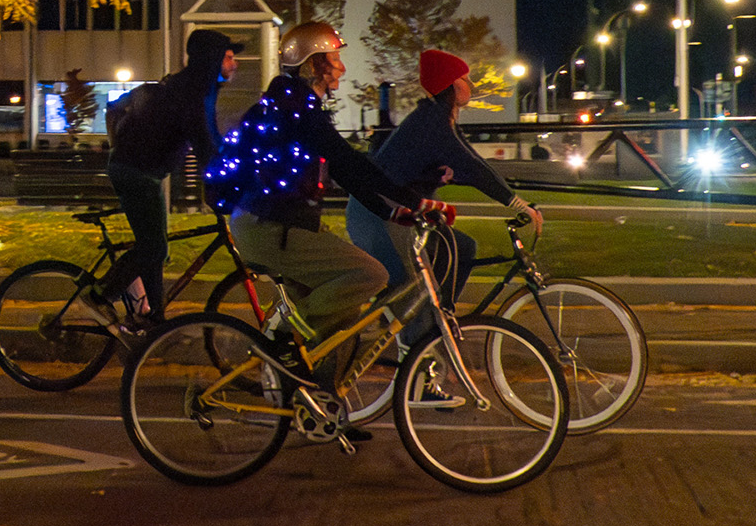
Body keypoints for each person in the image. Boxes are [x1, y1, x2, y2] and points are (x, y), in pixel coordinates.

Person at [205, 21, 445, 380]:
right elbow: (348, 158)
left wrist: (392, 210)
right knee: (370, 274)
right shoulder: (295, 107)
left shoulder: (293, 104)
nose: (342, 67)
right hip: (270, 226)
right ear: (312, 63)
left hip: (276, 223)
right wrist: (413, 198)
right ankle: (284, 337)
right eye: (333, 57)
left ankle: (323, 403)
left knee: (344, 319)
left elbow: (343, 170)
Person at [344, 49, 538, 350]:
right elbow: (473, 167)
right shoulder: (433, 121)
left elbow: (468, 161)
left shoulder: (439, 118)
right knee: (415, 292)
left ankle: (439, 318)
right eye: (465, 78)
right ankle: (421, 376)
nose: (470, 85)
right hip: (379, 215)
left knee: (461, 247)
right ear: (451, 84)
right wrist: (517, 204)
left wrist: (512, 197)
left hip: (399, 211)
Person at [100, 29, 238, 324]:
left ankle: (154, 320)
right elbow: (204, 146)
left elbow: (211, 141)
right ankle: (101, 296)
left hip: (141, 171)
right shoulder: (191, 93)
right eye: (228, 57)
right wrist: (228, 190)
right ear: (212, 59)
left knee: (155, 251)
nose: (234, 63)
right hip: (136, 173)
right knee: (153, 248)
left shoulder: (196, 89)